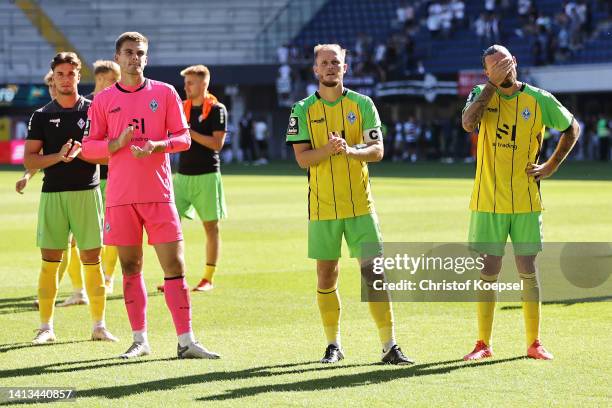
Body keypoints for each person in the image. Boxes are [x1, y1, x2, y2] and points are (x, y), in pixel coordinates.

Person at [82, 32, 220, 360]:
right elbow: (88, 148)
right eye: (128, 53)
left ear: (147, 57)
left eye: (140, 53)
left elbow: (184, 138)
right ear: (118, 58)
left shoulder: (166, 92)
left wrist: (159, 145)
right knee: (131, 266)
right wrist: (115, 145)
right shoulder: (102, 100)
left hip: (159, 195)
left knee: (175, 265)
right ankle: (139, 340)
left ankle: (186, 340)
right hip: (120, 197)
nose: (134, 58)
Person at [285, 44, 413, 365]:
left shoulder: (363, 104)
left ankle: (389, 345)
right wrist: (329, 150)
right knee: (326, 275)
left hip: (360, 206)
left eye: (336, 63)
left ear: (346, 68)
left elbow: (377, 150)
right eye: (324, 63)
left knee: (375, 274)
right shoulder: (301, 110)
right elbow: (302, 159)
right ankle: (333, 345)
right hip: (322, 208)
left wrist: (350, 151)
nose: (330, 67)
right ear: (315, 69)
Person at [461, 45, 580, 361]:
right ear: (486, 73)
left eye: (503, 60)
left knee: (528, 269)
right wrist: (489, 86)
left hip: (526, 201)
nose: (499, 67)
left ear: (514, 62)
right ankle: (482, 344)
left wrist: (551, 166)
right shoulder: (480, 94)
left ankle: (534, 343)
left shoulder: (538, 98)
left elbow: (572, 128)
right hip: (488, 201)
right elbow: (468, 123)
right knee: (489, 269)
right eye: (492, 65)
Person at [24, 52, 117, 344]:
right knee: (50, 259)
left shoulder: (94, 110)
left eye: (71, 73)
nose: (65, 79)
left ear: (79, 76)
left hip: (88, 193)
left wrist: (85, 153)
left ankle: (99, 326)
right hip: (53, 195)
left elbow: (109, 152)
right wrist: (58, 157)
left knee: (92, 258)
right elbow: (29, 159)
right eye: (60, 74)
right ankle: (45, 328)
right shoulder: (41, 115)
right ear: (54, 77)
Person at [18, 71, 89, 308]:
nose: (53, 90)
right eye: (49, 86)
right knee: (67, 244)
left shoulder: (83, 109)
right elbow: (38, 156)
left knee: (79, 246)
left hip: (88, 187)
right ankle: (77, 291)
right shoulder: (44, 116)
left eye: (54, 85)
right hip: (59, 189)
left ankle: (82, 290)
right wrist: (27, 176)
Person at [157, 64, 228, 292]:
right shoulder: (182, 107)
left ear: (203, 83)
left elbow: (216, 144)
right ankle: (174, 277)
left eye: (190, 82)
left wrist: (189, 132)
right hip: (182, 177)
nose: (186, 87)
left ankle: (208, 277)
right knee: (169, 227)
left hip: (207, 176)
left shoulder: (217, 109)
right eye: (185, 82)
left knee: (210, 228)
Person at [85, 60, 122, 293]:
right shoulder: (85, 105)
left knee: (113, 229)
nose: (119, 84)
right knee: (88, 233)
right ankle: (86, 281)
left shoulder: (121, 101)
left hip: (115, 175)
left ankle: (108, 277)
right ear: (100, 80)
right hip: (88, 177)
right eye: (114, 80)